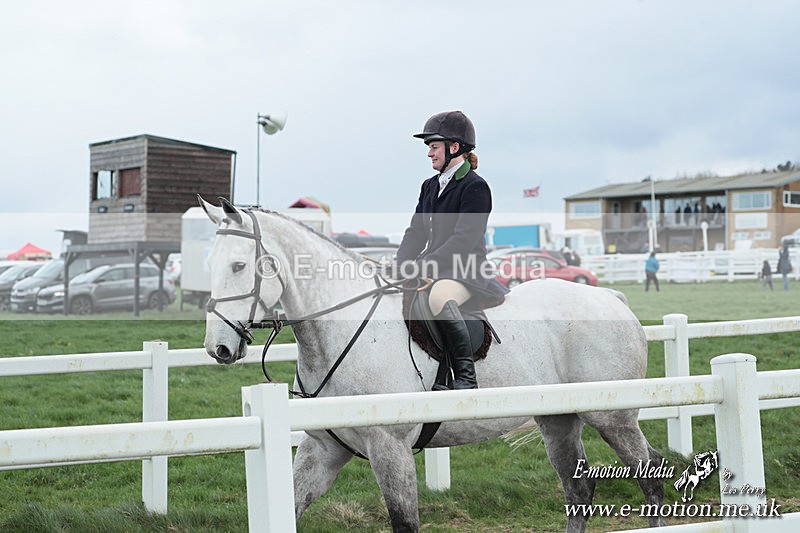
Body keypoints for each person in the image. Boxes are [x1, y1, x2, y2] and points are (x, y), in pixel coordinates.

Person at [393, 110, 509, 390]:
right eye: (430, 148)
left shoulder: (475, 187)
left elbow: (463, 239)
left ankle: (466, 377)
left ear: (453, 148)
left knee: (439, 298)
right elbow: (416, 231)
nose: (429, 154)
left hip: (465, 271)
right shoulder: (429, 186)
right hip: (435, 267)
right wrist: (401, 263)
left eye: (434, 147)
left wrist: (425, 267)